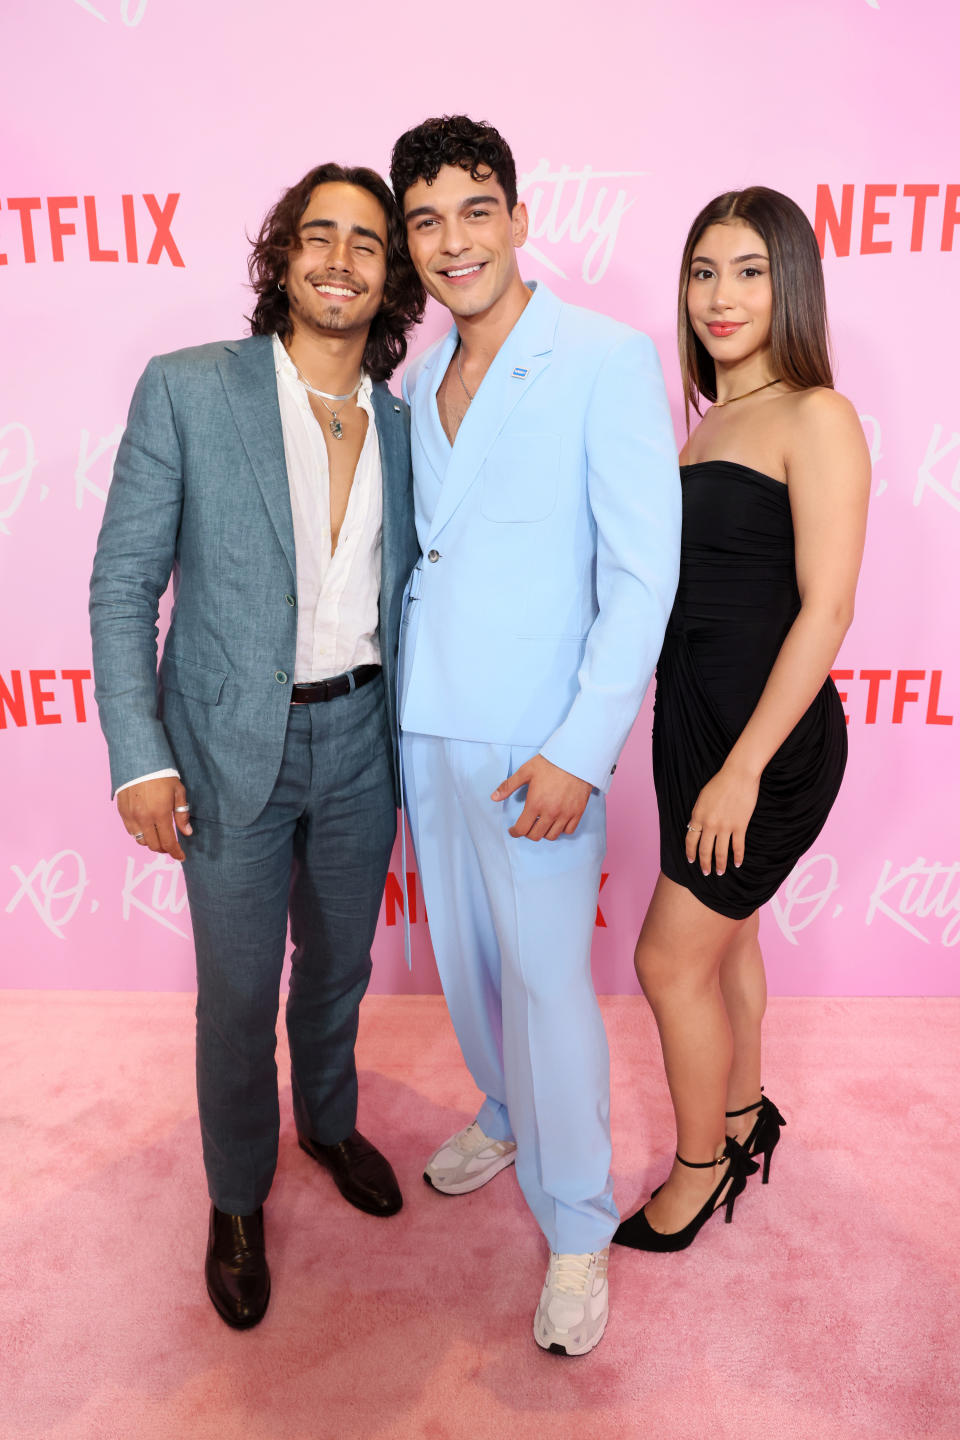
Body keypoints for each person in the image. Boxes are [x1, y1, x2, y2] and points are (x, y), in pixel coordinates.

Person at [89, 164, 424, 1327]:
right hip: (230, 749)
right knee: (235, 996)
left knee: (336, 970)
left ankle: (325, 1122)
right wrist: (140, 753)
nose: (341, 257)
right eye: (318, 235)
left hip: (363, 745)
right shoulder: (188, 391)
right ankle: (237, 1199)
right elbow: (127, 582)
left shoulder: (406, 424)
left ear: (392, 277)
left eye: (367, 243)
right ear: (280, 257)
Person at [389, 115, 681, 1355]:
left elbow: (644, 574)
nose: (452, 241)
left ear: (516, 215)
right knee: (464, 962)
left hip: (536, 744)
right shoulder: (413, 379)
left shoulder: (606, 358)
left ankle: (576, 1229)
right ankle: (503, 1108)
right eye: (425, 220)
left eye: (473, 210)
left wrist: (582, 747)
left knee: (554, 987)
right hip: (426, 721)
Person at [613, 187, 870, 1253]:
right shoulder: (708, 422)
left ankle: (700, 1169)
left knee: (669, 964)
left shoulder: (817, 413)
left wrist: (745, 770)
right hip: (695, 730)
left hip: (766, 745)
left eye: (751, 271)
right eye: (704, 270)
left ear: (793, 284)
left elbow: (830, 607)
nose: (721, 295)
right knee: (728, 944)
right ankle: (744, 1109)